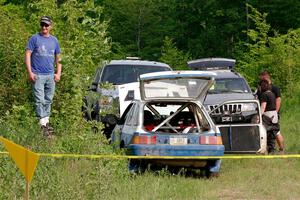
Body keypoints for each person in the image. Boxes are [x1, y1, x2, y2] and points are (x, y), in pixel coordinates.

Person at [25, 16, 62, 137]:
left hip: (50, 75)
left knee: (49, 99)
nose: (44, 27)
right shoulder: (34, 38)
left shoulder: (54, 40)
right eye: (42, 25)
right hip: (38, 75)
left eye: (46, 25)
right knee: (39, 99)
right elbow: (27, 55)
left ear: (51, 26)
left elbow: (58, 58)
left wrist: (58, 73)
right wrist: (30, 72)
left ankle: (46, 122)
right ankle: (42, 122)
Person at [257, 71, 285, 153]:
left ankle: (280, 149)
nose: (261, 82)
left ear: (267, 79)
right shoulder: (262, 91)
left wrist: (275, 111)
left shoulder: (274, 89)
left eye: (262, 80)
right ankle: (272, 149)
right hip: (271, 114)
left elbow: (278, 100)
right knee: (274, 132)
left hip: (269, 114)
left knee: (271, 132)